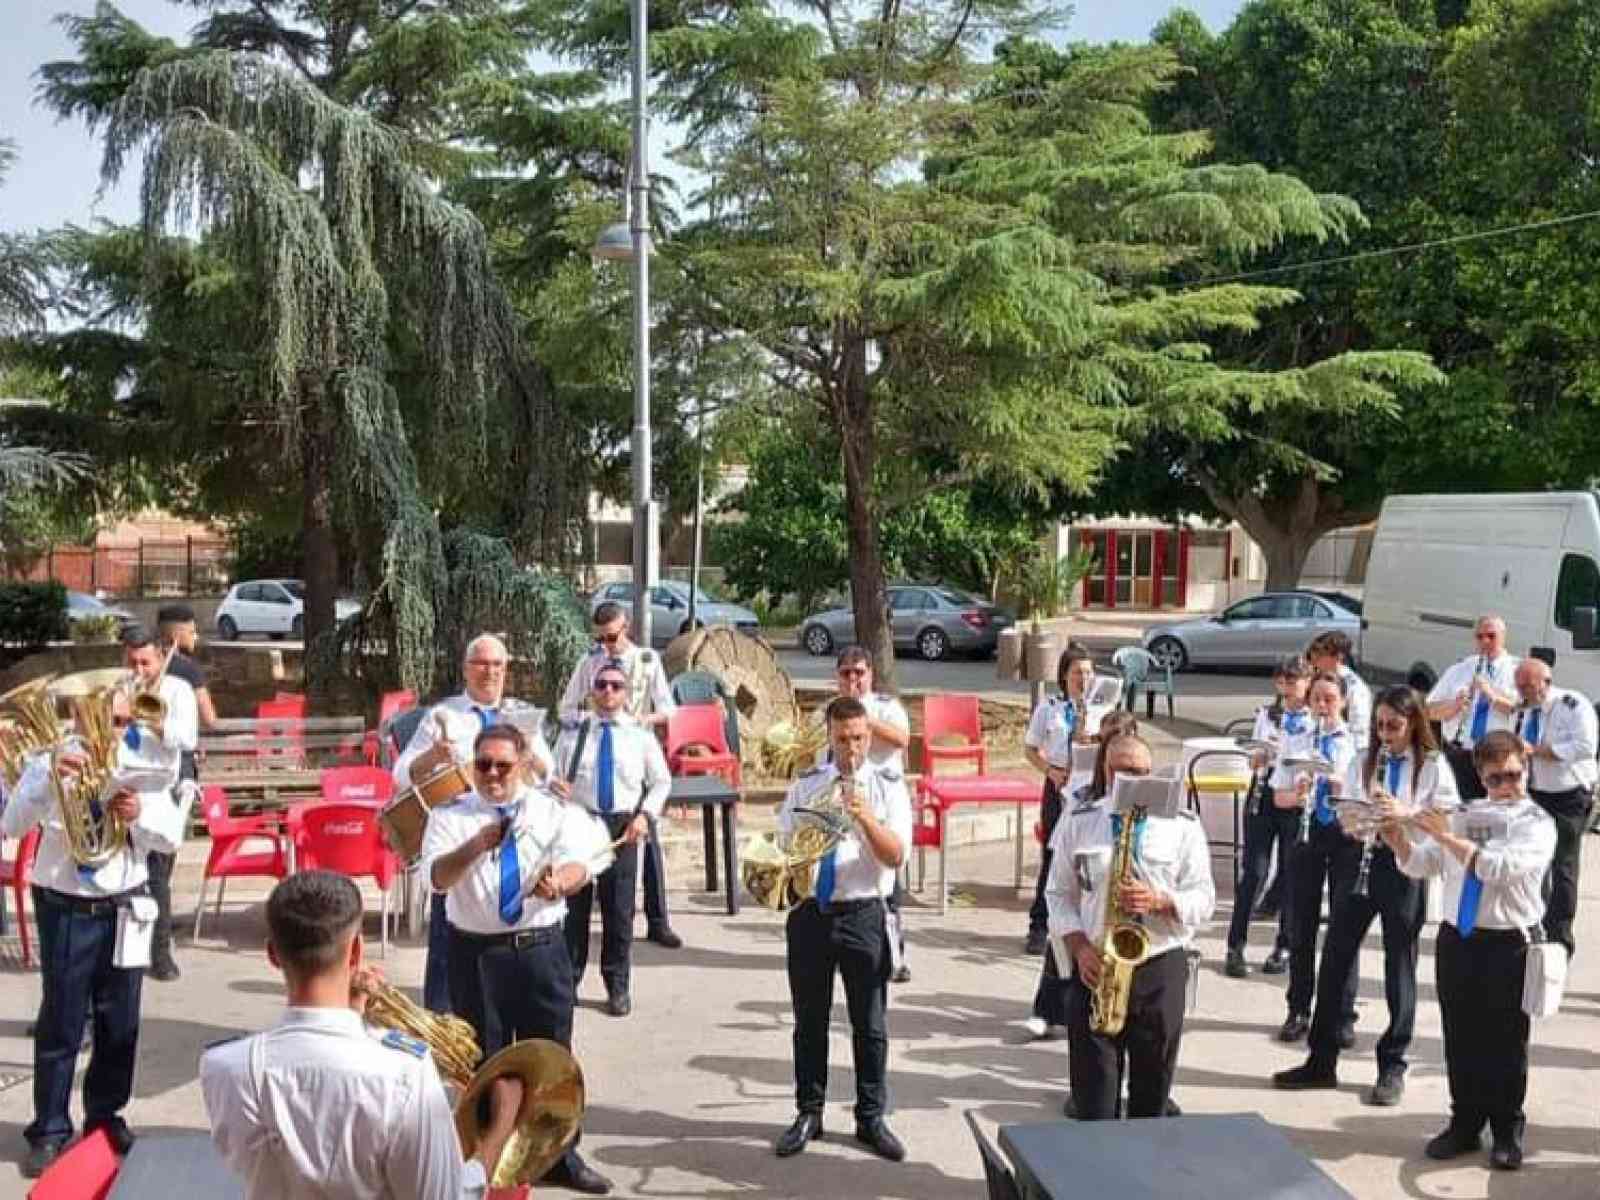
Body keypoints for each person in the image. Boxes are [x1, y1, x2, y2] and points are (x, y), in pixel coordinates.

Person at [200, 871, 525, 1198]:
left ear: (272, 954)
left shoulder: (223, 1066)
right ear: (355, 951)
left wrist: (353, 1015)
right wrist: (497, 1134)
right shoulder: (407, 1072)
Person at [4, 625, 196, 1178]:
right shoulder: (50, 760)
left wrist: (140, 816)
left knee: (120, 1022)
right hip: (66, 902)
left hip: (125, 902)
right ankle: (48, 1129)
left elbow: (170, 839)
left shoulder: (147, 764)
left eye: (114, 721)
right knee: (62, 1021)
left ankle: (105, 1119)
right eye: (95, 719)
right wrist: (47, 781)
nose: (104, 732)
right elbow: (11, 823)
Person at [421, 722, 613, 1195]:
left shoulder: (551, 810)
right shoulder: (451, 815)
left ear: (523, 764)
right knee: (484, 1064)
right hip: (475, 953)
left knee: (551, 1057)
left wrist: (560, 882)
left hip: (538, 949)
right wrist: (476, 845)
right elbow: (437, 879)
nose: (491, 775)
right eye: (482, 764)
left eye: (502, 766)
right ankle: (490, 1162)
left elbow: (583, 860)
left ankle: (559, 1157)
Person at [1273, 685, 1458, 1106]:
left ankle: (1392, 1065)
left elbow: (1447, 818)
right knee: (1335, 958)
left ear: (1414, 724)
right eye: (1380, 725)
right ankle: (1321, 1059)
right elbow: (1347, 806)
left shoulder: (1432, 766)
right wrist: (1353, 820)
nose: (1385, 734)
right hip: (1361, 861)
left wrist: (1405, 814)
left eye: (1394, 726)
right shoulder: (1364, 759)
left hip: (1405, 864)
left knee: (1399, 966)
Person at [1390, 730, 1556, 1171]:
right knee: (1460, 1035)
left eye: (1514, 775)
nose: (1506, 787)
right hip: (1459, 937)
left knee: (1506, 1041)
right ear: (1481, 778)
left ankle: (1506, 1129)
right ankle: (1464, 1122)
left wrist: (1445, 837)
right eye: (1495, 779)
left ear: (1526, 769)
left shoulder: (1536, 822)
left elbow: (1497, 868)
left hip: (1508, 940)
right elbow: (1421, 863)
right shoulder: (1465, 814)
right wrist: (1396, 836)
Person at [1046, 731, 1215, 1121]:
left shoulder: (1182, 826)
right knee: (1094, 1104)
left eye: (1140, 772)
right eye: (1121, 771)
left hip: (1159, 964)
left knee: (1151, 1103)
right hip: (1096, 965)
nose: (1131, 780)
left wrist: (1162, 901)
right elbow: (1057, 894)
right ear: (1105, 772)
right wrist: (1078, 946)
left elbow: (1204, 899)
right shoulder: (1081, 820)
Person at [774, 696, 912, 1162]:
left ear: (869, 737)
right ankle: (808, 1112)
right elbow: (783, 846)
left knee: (869, 1024)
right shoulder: (808, 783)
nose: (851, 749)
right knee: (809, 1022)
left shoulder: (888, 787)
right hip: (811, 913)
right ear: (829, 738)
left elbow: (896, 855)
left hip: (863, 912)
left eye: (858, 739)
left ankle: (871, 1116)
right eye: (842, 739)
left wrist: (865, 817)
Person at [393, 633, 554, 1014]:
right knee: (448, 936)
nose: (490, 671)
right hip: (459, 834)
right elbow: (401, 775)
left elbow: (548, 774)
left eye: (498, 664)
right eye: (481, 663)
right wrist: (433, 757)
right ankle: (441, 1017)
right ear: (466, 669)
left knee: (507, 932)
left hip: (515, 837)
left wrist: (531, 756)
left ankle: (501, 1011)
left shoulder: (521, 716)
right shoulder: (444, 717)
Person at [559, 601, 683, 950]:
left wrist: (643, 721)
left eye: (612, 638)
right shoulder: (591, 662)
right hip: (599, 749)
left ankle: (657, 920)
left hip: (635, 752)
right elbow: (566, 708)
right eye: (600, 639)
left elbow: (669, 709)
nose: (607, 646)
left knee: (646, 835)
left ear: (625, 628)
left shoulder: (646, 660)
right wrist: (588, 720)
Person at [553, 657, 671, 1018]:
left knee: (618, 912)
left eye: (616, 686)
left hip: (623, 827)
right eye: (601, 685)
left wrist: (645, 816)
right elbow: (552, 779)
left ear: (626, 694)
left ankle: (617, 986)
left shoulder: (640, 736)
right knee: (574, 911)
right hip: (581, 824)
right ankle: (568, 983)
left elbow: (661, 781)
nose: (608, 691)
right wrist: (555, 789)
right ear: (592, 691)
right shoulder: (573, 734)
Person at [1275, 670, 1360, 1045]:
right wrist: (1298, 793)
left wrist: (1342, 786)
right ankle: (1298, 1009)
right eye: (1316, 700)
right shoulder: (1296, 739)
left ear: (1343, 702)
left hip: (1344, 833)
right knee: (1301, 925)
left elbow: (1366, 797)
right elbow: (1279, 797)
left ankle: (1342, 1014)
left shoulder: (1357, 743)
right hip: (1306, 832)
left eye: (1330, 699)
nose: (1323, 707)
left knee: (1344, 925)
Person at [1024, 642, 1115, 959]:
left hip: (1090, 787)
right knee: (1053, 855)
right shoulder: (1049, 708)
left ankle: (1083, 923)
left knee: (1088, 855)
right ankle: (1039, 925)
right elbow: (1030, 749)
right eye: (1077, 673)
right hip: (1059, 785)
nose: (1084, 679)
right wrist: (1050, 771)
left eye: (1088, 673)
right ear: (1065, 676)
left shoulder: (1102, 710)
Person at [1226, 654, 1313, 979]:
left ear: (1307, 682)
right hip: (1264, 793)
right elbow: (1253, 757)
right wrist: (1260, 756)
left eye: (1292, 680)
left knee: (1292, 872)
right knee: (1254, 871)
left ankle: (1284, 945)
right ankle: (1235, 945)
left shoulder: (1314, 719)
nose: (1286, 686)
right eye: (1282, 680)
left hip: (1295, 795)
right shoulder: (1268, 714)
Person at [832, 644, 913, 982]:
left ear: (870, 675)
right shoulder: (830, 711)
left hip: (882, 797)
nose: (853, 679)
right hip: (841, 794)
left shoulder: (886, 705)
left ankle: (895, 955)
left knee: (886, 881)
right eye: (846, 673)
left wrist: (865, 720)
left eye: (859, 672)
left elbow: (902, 739)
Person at [148, 603, 217, 983]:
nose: (196, 637)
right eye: (192, 630)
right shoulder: (187, 670)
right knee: (161, 865)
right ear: (177, 635)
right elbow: (211, 718)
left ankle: (154, 927)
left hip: (157, 774)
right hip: (176, 776)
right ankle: (158, 951)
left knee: (154, 866)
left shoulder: (139, 673)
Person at [1513, 656, 1596, 959]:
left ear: (1546, 683)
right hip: (1534, 793)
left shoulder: (1573, 705)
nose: (1523, 692)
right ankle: (1532, 928)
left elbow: (1585, 747)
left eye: (1528, 686)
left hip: (1567, 796)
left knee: (1562, 867)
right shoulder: (1522, 709)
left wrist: (1537, 751)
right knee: (1532, 864)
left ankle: (1560, 940)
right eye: (1519, 686)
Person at [1425, 615, 1519, 799]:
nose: (1485, 641)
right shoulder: (1460, 669)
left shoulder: (1517, 671)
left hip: (1499, 757)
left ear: (1503, 637)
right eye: (1479, 637)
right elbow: (1427, 711)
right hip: (1461, 753)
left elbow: (1522, 711)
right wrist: (1454, 706)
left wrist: (1491, 695)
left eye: (1491, 636)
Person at [1306, 631, 1372, 754]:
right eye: (1314, 655)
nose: (1314, 661)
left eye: (1320, 655)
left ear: (1338, 656)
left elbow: (1360, 730)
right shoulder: (1317, 679)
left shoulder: (1355, 688)